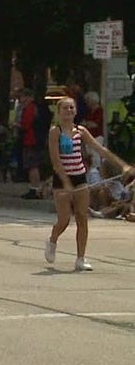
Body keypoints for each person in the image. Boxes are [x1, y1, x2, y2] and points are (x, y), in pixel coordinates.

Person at [44, 97, 132, 271]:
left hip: (80, 178)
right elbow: (55, 161)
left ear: (75, 111)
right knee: (64, 220)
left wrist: (122, 165)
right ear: (59, 112)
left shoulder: (80, 131)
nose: (69, 111)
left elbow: (101, 150)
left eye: (72, 108)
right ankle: (52, 239)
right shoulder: (56, 131)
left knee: (82, 218)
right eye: (65, 108)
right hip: (62, 180)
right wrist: (66, 183)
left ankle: (80, 258)